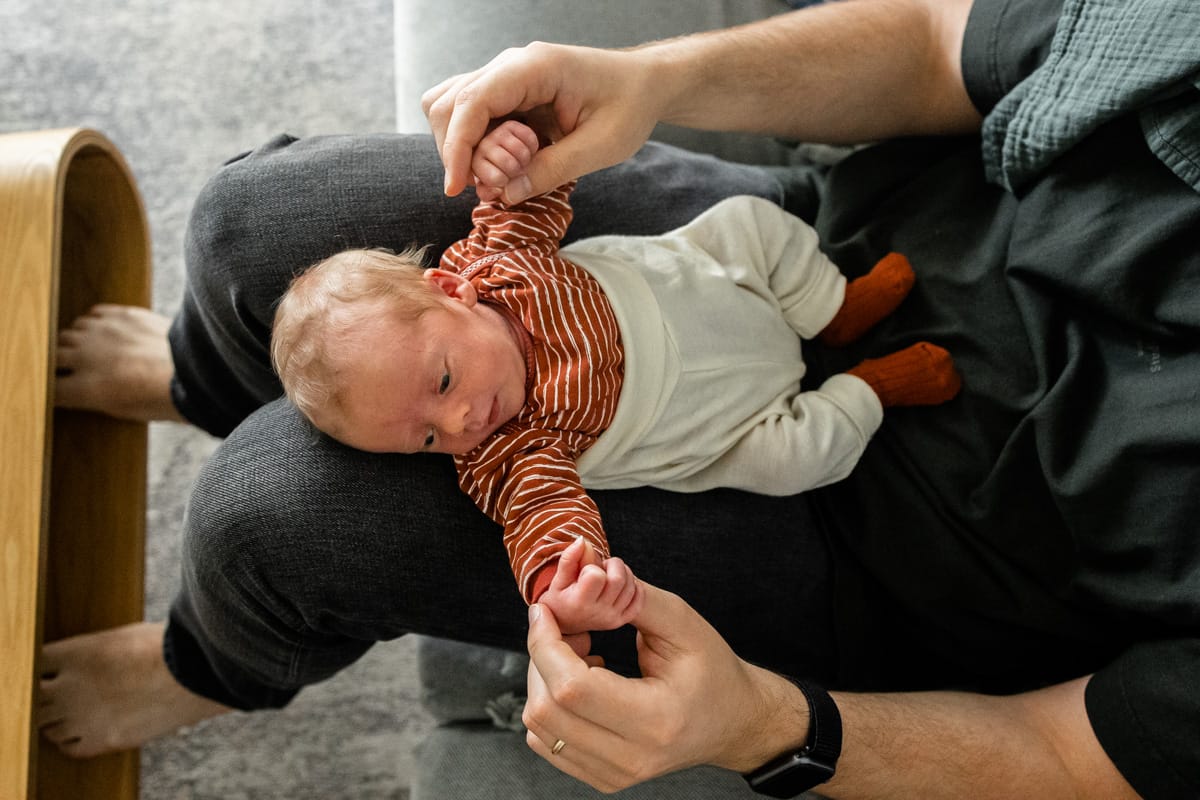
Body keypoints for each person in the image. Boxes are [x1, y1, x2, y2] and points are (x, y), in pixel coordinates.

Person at [40, 1, 1198, 798]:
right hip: (805, 243)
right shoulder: (489, 283)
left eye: (448, 405)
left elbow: (1073, 754)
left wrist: (765, 724)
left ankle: (214, 662)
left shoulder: (524, 443)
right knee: (247, 231)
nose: (458, 441)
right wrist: (653, 82)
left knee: (267, 507)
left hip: (881, 528)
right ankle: (209, 376)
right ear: (460, 285)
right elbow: (948, 38)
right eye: (434, 431)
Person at [271, 118, 959, 633]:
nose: (457, 423)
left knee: (753, 222)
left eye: (443, 384)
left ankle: (832, 309)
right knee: (799, 461)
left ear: (454, 289)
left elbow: (534, 189)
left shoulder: (499, 259)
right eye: (424, 440)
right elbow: (543, 514)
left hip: (725, 282)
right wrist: (561, 581)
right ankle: (872, 387)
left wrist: (516, 148)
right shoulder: (508, 450)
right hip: (735, 419)